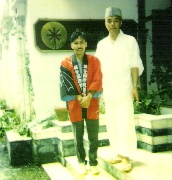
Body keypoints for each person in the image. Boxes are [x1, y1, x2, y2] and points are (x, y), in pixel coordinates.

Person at [95, 7, 144, 172]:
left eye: (116, 20)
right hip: (108, 89)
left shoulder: (130, 41)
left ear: (121, 22)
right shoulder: (102, 45)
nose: (113, 24)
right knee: (112, 122)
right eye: (109, 20)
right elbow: (97, 69)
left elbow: (135, 64)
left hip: (125, 88)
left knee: (125, 121)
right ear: (105, 23)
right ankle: (116, 151)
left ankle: (126, 157)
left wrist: (135, 87)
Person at [60, 28, 102, 175]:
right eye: (75, 42)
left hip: (91, 102)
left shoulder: (94, 60)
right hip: (75, 103)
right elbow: (67, 83)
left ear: (86, 44)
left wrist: (89, 97)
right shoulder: (65, 63)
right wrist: (79, 98)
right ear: (71, 45)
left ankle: (94, 162)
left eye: (81, 42)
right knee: (78, 136)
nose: (79, 45)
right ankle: (81, 162)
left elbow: (97, 79)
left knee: (93, 135)